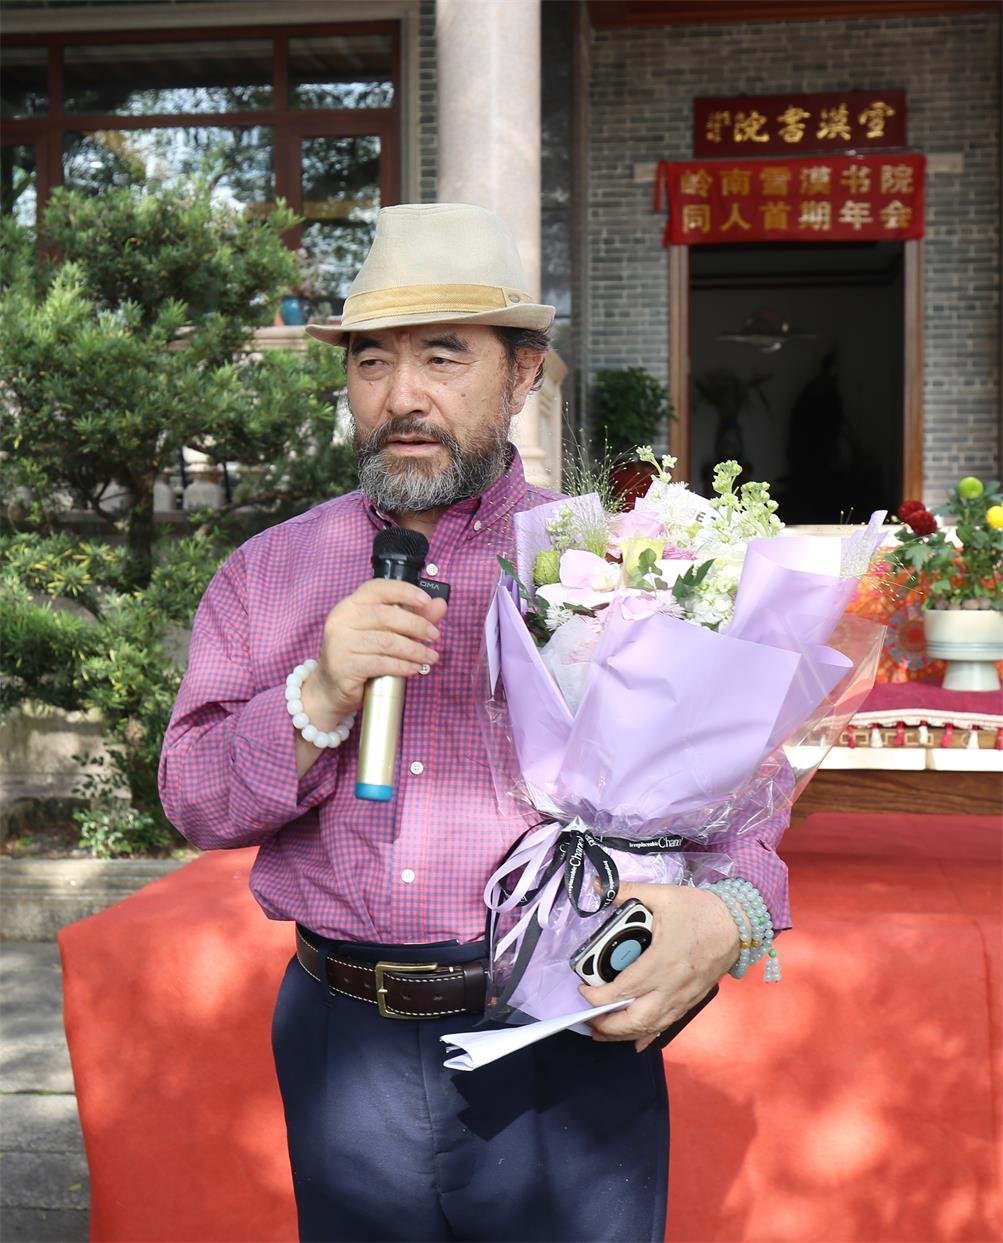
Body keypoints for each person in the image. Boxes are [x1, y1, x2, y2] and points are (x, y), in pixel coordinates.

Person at [159, 203, 791, 1243]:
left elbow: (745, 814)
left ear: (522, 371)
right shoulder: (269, 574)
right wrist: (317, 698)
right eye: (371, 360)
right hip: (343, 1040)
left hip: (563, 1034)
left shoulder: (619, 563)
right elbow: (190, 799)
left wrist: (728, 917)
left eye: (443, 356)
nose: (402, 395)